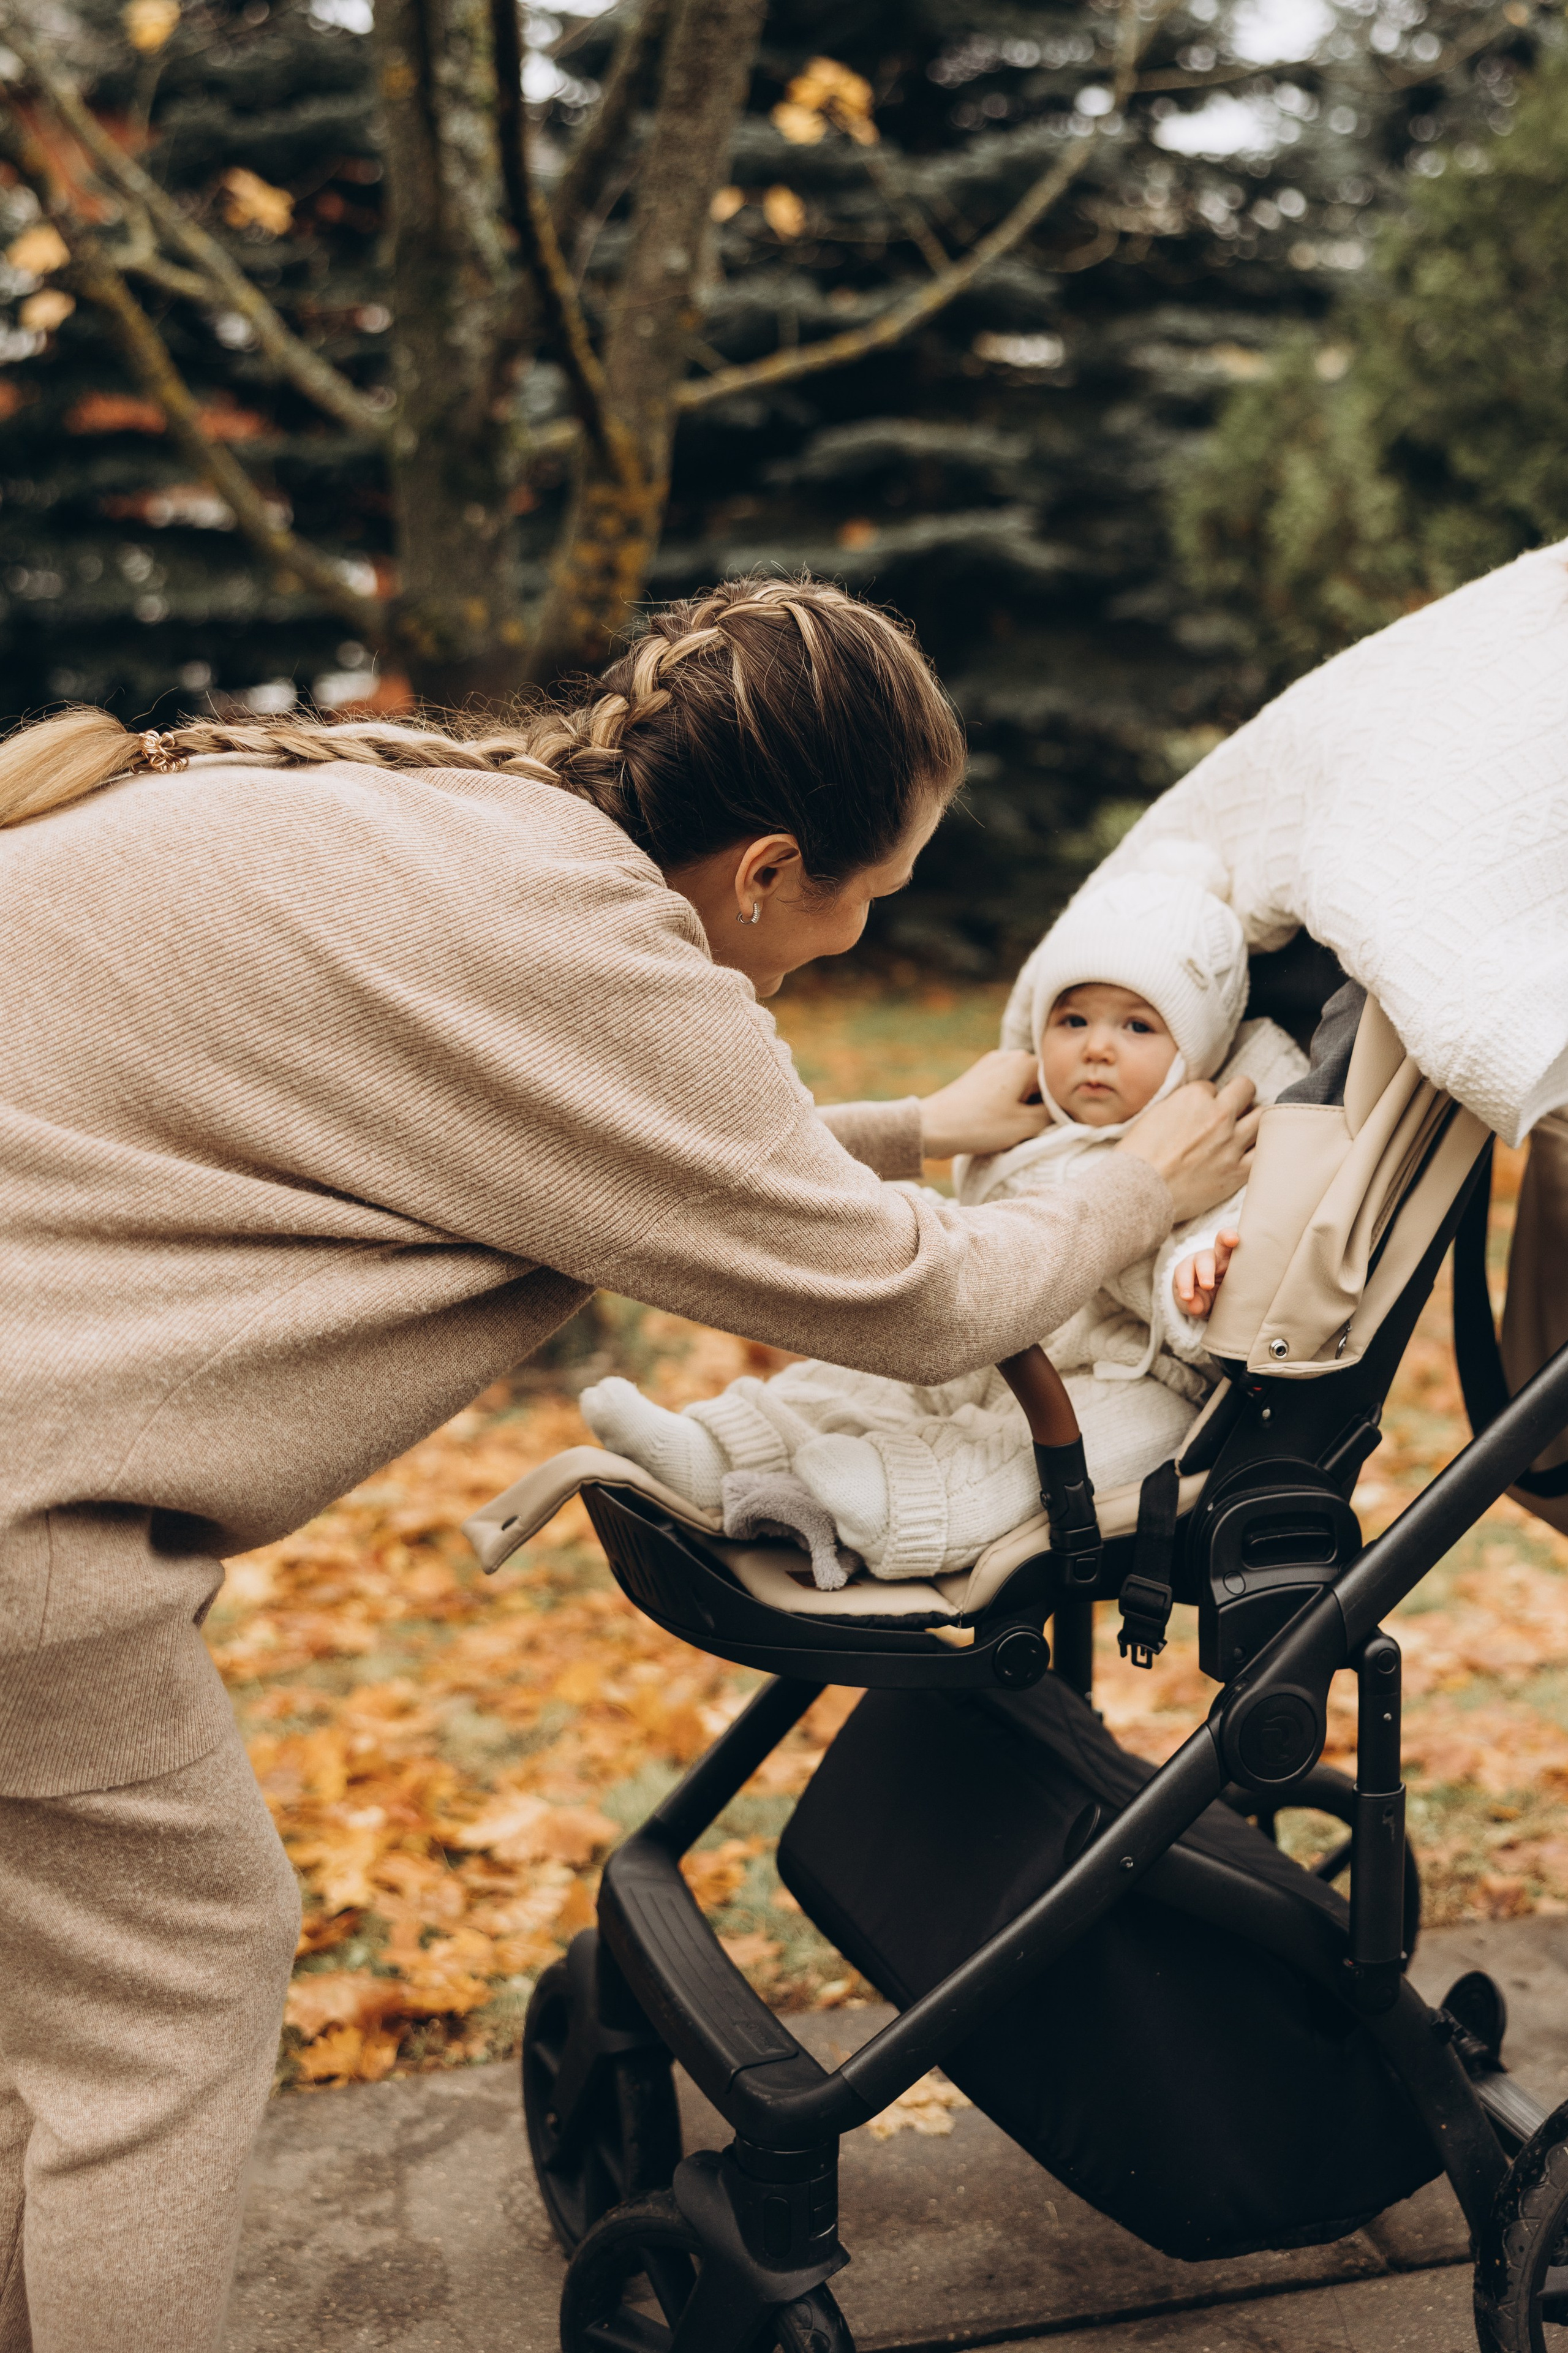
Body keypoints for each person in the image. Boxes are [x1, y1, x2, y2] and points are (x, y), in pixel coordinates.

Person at [0, 575, 1257, 2349]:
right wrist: (1143, 1188)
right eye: (863, 902)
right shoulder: (589, 949)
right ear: (763, 872)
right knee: (167, 1998)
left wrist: (912, 1125)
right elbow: (911, 1298)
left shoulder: (463, 817)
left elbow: (552, 1129)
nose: (848, 941)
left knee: (49, 2017)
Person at [583, 863, 1303, 1586]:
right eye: (1073, 1019)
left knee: (1013, 1456)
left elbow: (1242, 1237)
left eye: (1138, 1026)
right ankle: (718, 1450)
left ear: (1198, 1051)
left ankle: (872, 1503)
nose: (1096, 1047)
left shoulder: (1211, 1143)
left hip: (1130, 1377)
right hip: (1002, 1348)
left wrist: (1200, 1272)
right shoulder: (1030, 1136)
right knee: (863, 1381)